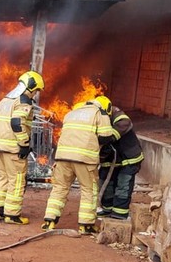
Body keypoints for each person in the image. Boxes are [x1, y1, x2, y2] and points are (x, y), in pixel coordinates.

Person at [42, 97, 119, 234]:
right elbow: (106, 137)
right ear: (106, 107)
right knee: (89, 190)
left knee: (60, 188)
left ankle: (50, 220)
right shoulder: (100, 113)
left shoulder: (72, 113)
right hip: (85, 159)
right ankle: (86, 225)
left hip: (63, 157)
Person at [0, 70, 43, 225]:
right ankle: (12, 215)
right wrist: (24, 144)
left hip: (0, 146)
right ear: (31, 86)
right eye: (36, 90)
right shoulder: (23, 101)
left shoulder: (5, 100)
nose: (35, 94)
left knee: (3, 178)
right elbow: (17, 123)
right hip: (14, 148)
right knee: (17, 180)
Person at [97, 98, 144, 220]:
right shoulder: (94, 117)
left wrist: (109, 137)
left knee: (123, 184)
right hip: (110, 159)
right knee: (105, 182)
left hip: (128, 158)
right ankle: (107, 209)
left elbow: (124, 123)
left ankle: (120, 213)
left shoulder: (116, 114)